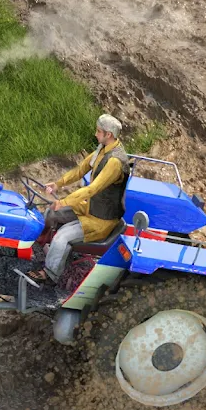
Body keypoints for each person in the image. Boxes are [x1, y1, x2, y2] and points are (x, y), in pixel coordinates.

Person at [29, 114, 130, 285]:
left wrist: (64, 202)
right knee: (51, 213)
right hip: (90, 208)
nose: (95, 134)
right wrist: (58, 184)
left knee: (62, 236)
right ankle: (38, 246)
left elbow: (92, 189)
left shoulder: (114, 162)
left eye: (99, 131)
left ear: (109, 135)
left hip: (101, 219)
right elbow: (80, 170)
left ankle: (50, 275)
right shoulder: (102, 149)